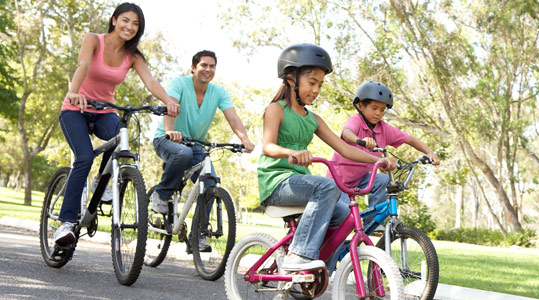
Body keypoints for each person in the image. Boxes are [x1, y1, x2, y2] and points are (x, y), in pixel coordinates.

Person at [257, 44, 395, 271]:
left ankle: (320, 274)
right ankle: (298, 254)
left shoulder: (314, 119)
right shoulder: (276, 109)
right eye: (312, 83)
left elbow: (345, 148)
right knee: (329, 187)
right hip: (276, 182)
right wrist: (293, 152)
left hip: (301, 183)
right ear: (292, 79)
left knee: (345, 216)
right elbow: (268, 147)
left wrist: (376, 160)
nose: (316, 89)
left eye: (320, 85)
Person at [54, 2, 180, 247]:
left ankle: (102, 179)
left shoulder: (132, 56)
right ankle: (65, 223)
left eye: (135, 24)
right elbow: (84, 65)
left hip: (104, 111)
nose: (129, 27)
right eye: (125, 20)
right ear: (114, 20)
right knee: (83, 157)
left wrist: (167, 101)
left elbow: (150, 81)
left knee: (119, 132)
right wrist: (73, 92)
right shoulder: (94, 40)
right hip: (75, 109)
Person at [149, 50, 255, 252]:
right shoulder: (179, 83)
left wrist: (244, 139)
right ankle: (162, 195)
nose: (208, 69)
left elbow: (232, 118)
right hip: (166, 138)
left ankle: (197, 237)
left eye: (212, 66)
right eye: (204, 65)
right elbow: (170, 107)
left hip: (195, 143)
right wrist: (170, 131)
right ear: (193, 67)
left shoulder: (219, 92)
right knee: (183, 153)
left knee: (210, 184)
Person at [329, 81, 440, 225]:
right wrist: (360, 140)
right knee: (343, 219)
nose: (378, 113)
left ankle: (373, 223)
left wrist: (429, 152)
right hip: (338, 181)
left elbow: (410, 139)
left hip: (360, 179)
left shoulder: (384, 129)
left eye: (382, 110)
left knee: (383, 181)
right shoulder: (356, 120)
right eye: (374, 108)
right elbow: (346, 133)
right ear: (361, 106)